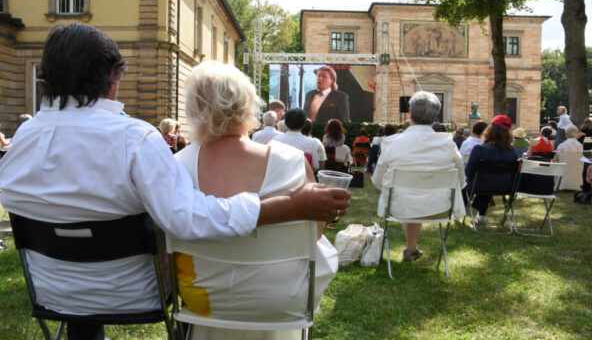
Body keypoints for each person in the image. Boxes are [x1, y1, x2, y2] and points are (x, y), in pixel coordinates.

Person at [0, 24, 349, 340]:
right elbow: (186, 218)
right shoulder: (134, 138)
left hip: (50, 290)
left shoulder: (22, 139)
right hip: (132, 294)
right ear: (111, 76)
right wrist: (288, 206)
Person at [174, 60, 338, 339]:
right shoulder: (293, 162)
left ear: (193, 109)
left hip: (204, 302)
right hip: (282, 301)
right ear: (248, 106)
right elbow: (315, 233)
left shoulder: (175, 166)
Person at [373, 91, 465, 261]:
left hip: (399, 206)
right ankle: (411, 248)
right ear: (435, 116)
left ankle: (411, 247)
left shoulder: (391, 143)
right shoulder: (448, 144)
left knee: (411, 199)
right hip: (440, 208)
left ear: (410, 114)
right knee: (417, 198)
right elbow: (460, 181)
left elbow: (377, 181)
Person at [464, 115, 519, 224]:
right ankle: (481, 214)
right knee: (489, 179)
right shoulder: (512, 151)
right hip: (505, 187)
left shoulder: (479, 149)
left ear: (490, 130)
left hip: (481, 186)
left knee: (473, 183)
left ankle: (460, 213)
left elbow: (468, 172)